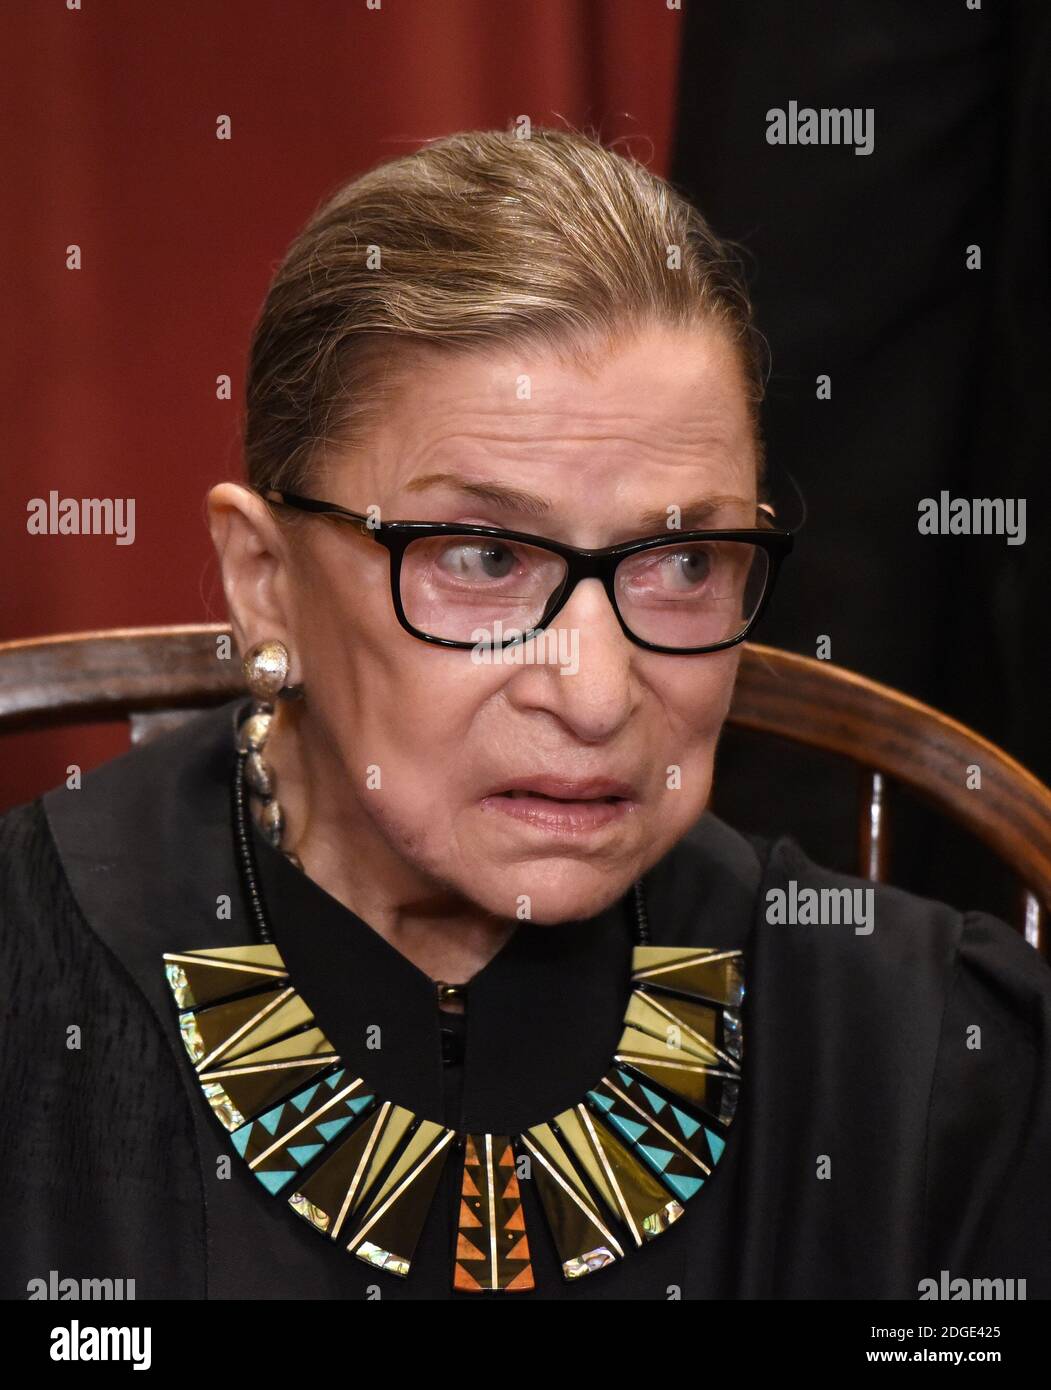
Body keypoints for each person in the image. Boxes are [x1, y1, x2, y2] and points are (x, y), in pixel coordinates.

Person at [1, 128, 1049, 1301]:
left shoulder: (928, 1056)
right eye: (486, 556)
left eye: (685, 559)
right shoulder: (32, 998)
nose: (597, 693)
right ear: (263, 579)